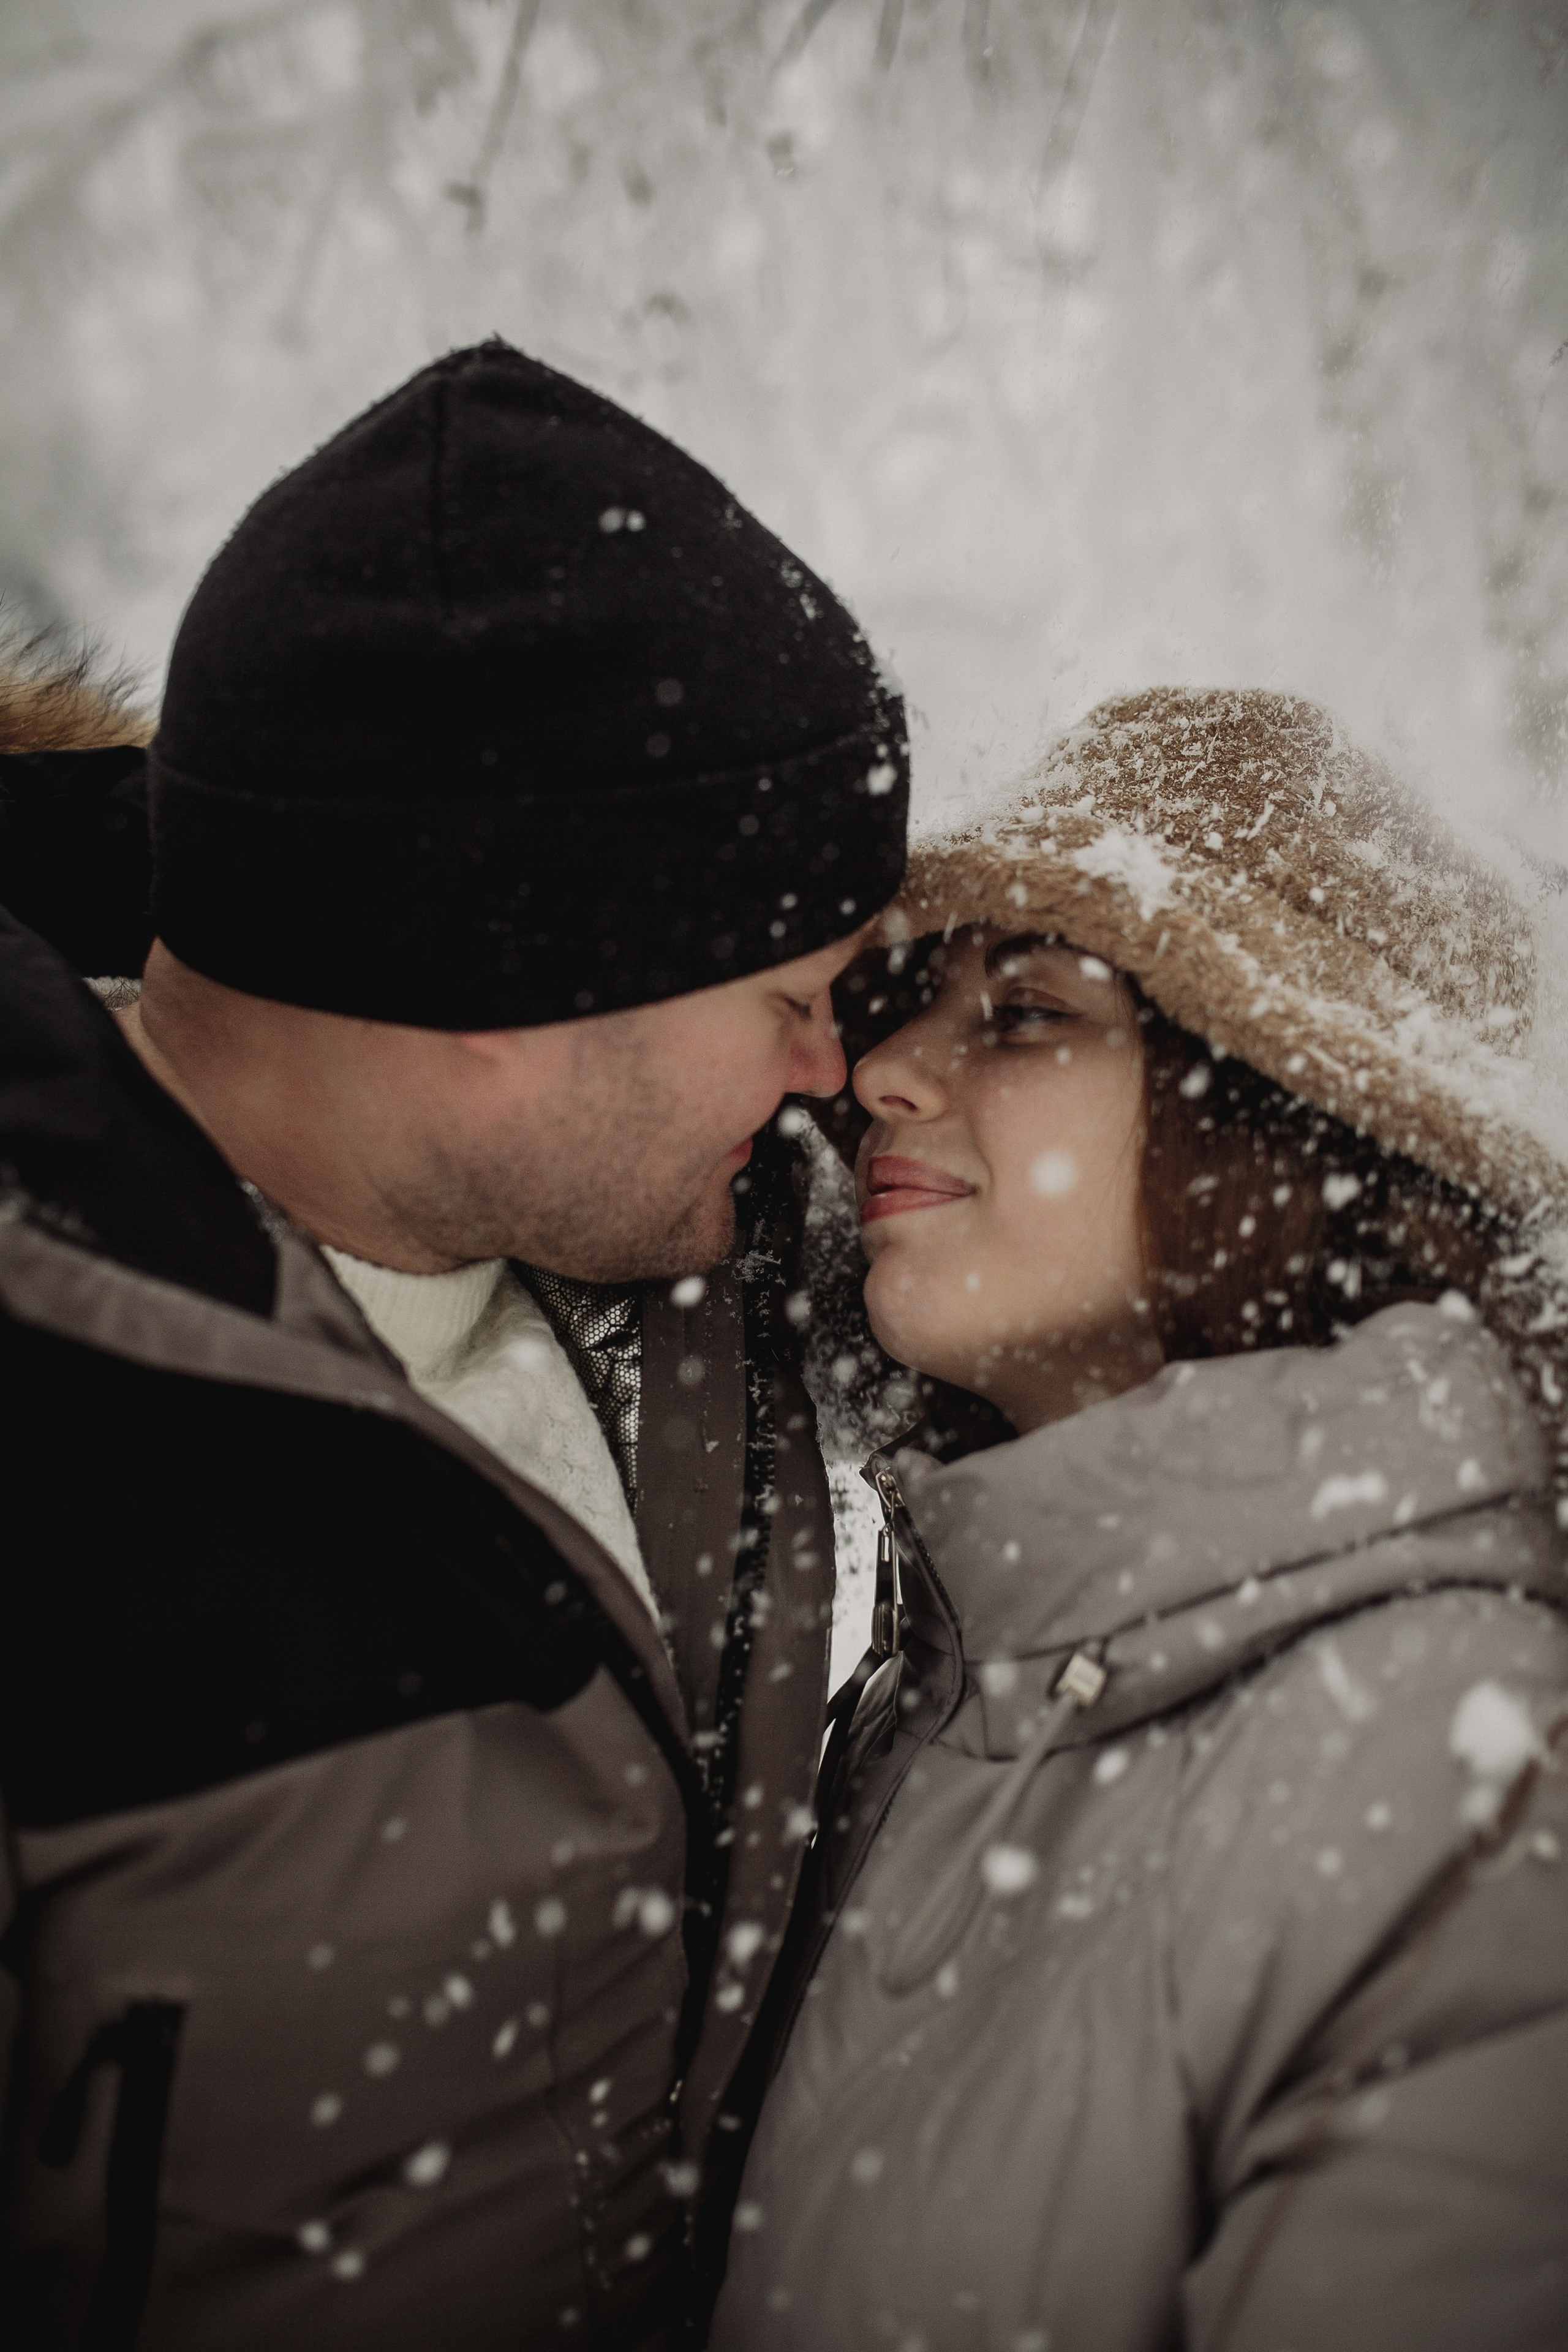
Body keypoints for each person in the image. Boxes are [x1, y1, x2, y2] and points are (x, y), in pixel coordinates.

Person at [0, 341, 908, 2350]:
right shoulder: (49, 1446)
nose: (836, 1076)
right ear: (508, 973)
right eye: (788, 997)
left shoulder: (709, 1237)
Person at [713, 688, 1568, 2351]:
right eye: (908, 1004)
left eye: (1026, 1012)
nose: (881, 1073)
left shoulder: (1467, 1772)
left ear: (1272, 1114)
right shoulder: (959, 1677)